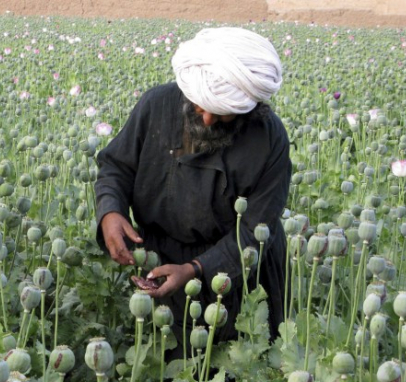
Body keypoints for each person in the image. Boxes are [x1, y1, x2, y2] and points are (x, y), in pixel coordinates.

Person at [95, 27, 291, 345]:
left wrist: (197, 269)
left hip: (239, 266)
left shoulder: (269, 138)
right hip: (163, 260)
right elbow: (116, 166)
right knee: (172, 361)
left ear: (250, 108)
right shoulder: (156, 105)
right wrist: (110, 210)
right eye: (200, 107)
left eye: (224, 114)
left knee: (243, 367)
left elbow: (256, 229)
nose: (209, 120)